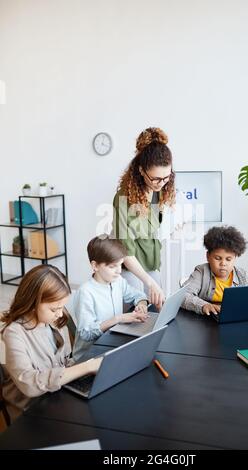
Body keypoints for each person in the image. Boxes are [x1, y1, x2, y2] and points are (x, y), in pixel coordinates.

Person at [0, 265, 102, 421]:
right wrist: (86, 367)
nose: (60, 314)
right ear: (33, 303)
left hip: (55, 398)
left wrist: (86, 367)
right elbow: (29, 383)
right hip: (30, 412)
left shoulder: (54, 321)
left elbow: (62, 362)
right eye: (54, 309)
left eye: (61, 307)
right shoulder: (14, 333)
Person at [112, 127, 176, 309]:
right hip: (129, 266)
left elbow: (153, 228)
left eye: (166, 177)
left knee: (160, 310)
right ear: (141, 170)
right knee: (135, 314)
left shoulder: (160, 190)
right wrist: (149, 283)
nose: (162, 183)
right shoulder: (123, 198)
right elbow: (125, 251)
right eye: (156, 178)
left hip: (150, 262)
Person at [72, 235, 149, 360]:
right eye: (112, 266)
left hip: (112, 347)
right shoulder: (85, 292)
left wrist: (141, 304)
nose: (119, 271)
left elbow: (138, 295)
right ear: (95, 266)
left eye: (120, 265)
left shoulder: (118, 281)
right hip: (89, 357)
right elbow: (86, 333)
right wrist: (118, 319)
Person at [181, 226, 248, 316]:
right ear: (208, 256)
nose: (223, 263)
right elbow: (183, 296)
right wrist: (204, 305)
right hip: (206, 319)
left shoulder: (245, 276)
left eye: (228, 259)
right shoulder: (201, 273)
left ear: (235, 258)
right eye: (218, 258)